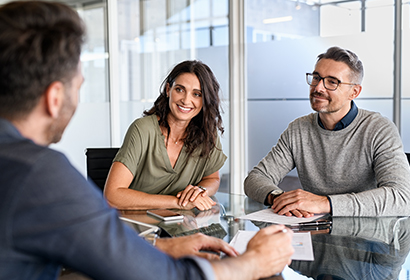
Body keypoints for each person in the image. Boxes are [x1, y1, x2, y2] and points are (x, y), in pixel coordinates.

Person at [0, 1, 294, 279]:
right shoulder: (39, 174)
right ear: (54, 98)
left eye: (197, 94)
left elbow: (85, 245)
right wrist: (252, 262)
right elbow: (165, 275)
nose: (187, 100)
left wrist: (160, 246)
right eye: (79, 86)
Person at [244, 46, 410, 218]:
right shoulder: (298, 129)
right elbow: (255, 179)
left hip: (368, 239)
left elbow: (401, 197)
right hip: (313, 235)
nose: (318, 88)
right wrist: (279, 198)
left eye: (332, 81)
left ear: (354, 92)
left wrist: (324, 203)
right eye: (316, 78)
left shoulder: (378, 129)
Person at [104, 60, 226, 211]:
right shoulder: (143, 129)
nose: (186, 100)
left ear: (205, 99)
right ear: (168, 90)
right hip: (135, 226)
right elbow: (112, 196)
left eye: (196, 94)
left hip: (179, 226)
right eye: (180, 90)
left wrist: (200, 191)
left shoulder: (207, 133)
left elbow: (212, 178)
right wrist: (177, 202)